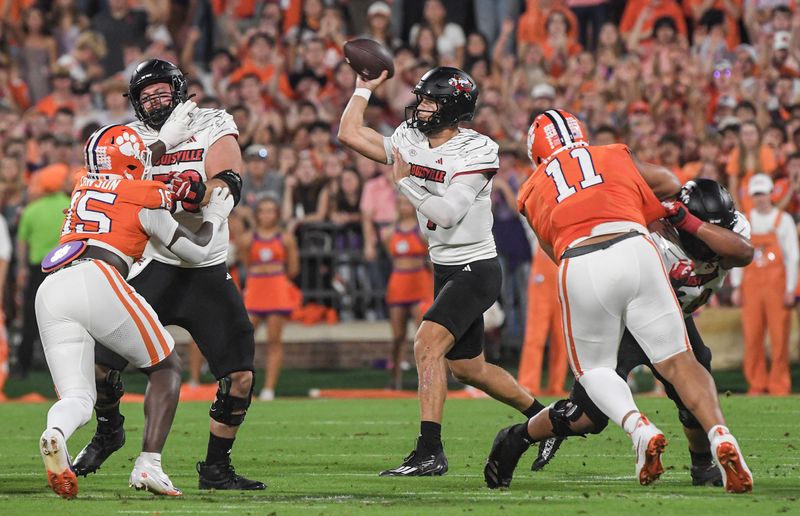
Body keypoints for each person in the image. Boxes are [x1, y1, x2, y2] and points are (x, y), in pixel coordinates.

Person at [486, 110, 753, 494]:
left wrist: (681, 220)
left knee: (604, 372)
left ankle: (656, 437)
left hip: (586, 263)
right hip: (637, 252)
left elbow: (556, 250)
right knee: (678, 368)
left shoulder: (532, 187)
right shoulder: (614, 157)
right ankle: (721, 434)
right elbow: (670, 182)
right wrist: (649, 209)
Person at [338, 66, 543, 476]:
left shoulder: (477, 149)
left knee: (426, 345)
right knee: (470, 369)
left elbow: (448, 214)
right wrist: (362, 89)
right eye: (422, 99)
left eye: (431, 101)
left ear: (453, 108)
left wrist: (404, 184)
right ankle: (547, 420)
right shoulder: (410, 138)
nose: (421, 108)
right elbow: (350, 134)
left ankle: (430, 451)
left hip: (476, 266)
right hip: (444, 267)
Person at [72, 59, 265, 491]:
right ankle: (109, 430)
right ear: (135, 103)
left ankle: (216, 468)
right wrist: (160, 146)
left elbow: (228, 175)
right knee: (99, 365)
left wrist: (204, 194)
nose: (155, 100)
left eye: (161, 91)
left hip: (207, 266)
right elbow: (111, 185)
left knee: (240, 377)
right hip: (153, 265)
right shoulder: (131, 138)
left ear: (178, 90)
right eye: (146, 95)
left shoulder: (212, 119)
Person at [36, 124, 233, 499]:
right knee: (165, 367)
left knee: (77, 398)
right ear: (130, 162)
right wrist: (217, 214)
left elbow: (123, 182)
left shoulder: (83, 185)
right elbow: (198, 251)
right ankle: (149, 464)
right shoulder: (144, 195)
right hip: (98, 278)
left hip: (51, 288)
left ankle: (56, 433)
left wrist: (165, 143)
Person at [731, 174, 798, 396]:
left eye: (763, 193)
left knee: (779, 338)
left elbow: (792, 257)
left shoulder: (784, 220)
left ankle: (779, 385)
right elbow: (737, 256)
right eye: (756, 194)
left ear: (771, 194)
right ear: (751, 196)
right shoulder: (744, 221)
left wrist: (791, 288)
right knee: (752, 337)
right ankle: (757, 384)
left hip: (777, 287)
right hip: (751, 287)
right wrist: (736, 286)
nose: (760, 198)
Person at [242, 196, 301, 401]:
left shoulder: (285, 238)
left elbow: (293, 269)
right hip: (256, 289)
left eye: (270, 211)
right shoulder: (248, 238)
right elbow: (246, 263)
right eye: (263, 211)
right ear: (257, 214)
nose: (266, 215)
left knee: (275, 340)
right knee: (246, 339)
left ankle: (269, 388)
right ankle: (245, 385)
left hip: (277, 290)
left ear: (276, 214)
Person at [15, 166, 70, 378]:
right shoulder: (69, 206)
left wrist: (21, 268)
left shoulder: (31, 210)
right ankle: (62, 368)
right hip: (63, 268)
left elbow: (22, 244)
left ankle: (22, 367)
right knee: (63, 320)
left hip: (36, 270)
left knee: (30, 320)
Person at [383, 195, 434, 390]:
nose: (404, 207)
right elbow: (390, 256)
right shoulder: (389, 233)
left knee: (424, 335)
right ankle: (395, 378)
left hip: (419, 283)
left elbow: (431, 256)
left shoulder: (421, 231)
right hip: (398, 284)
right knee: (397, 336)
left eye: (407, 203)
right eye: (401, 203)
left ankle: (429, 378)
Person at [517, 244, 568, 396]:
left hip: (562, 275)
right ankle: (528, 384)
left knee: (562, 338)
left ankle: (556, 385)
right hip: (542, 279)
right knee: (535, 336)